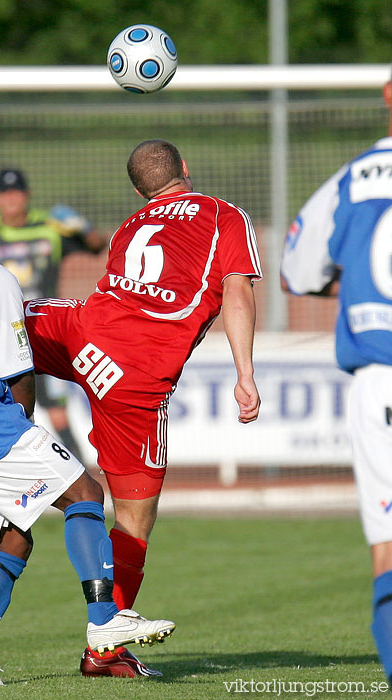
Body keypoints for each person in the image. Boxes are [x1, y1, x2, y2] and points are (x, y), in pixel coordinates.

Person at [0, 139, 262, 677]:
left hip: (80, 333)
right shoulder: (224, 215)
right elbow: (236, 292)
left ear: (138, 192)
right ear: (186, 171)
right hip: (135, 375)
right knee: (118, 511)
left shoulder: (131, 227)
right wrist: (245, 372)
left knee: (13, 531)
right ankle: (105, 637)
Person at [0, 168, 174, 686]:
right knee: (84, 492)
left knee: (12, 540)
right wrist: (21, 425)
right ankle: (104, 623)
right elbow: (17, 372)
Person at [280, 74, 392, 684]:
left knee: (388, 554)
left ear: (386, 95)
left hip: (380, 380)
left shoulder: (353, 177)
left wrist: (355, 289)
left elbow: (296, 273)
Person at [0, 167, 105, 460]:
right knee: (4, 409)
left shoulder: (49, 228)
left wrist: (82, 225)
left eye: (17, 192)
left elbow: (97, 246)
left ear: (27, 195)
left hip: (44, 333)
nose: (12, 199)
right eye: (5, 193)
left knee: (56, 410)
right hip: (2, 335)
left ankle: (81, 468)